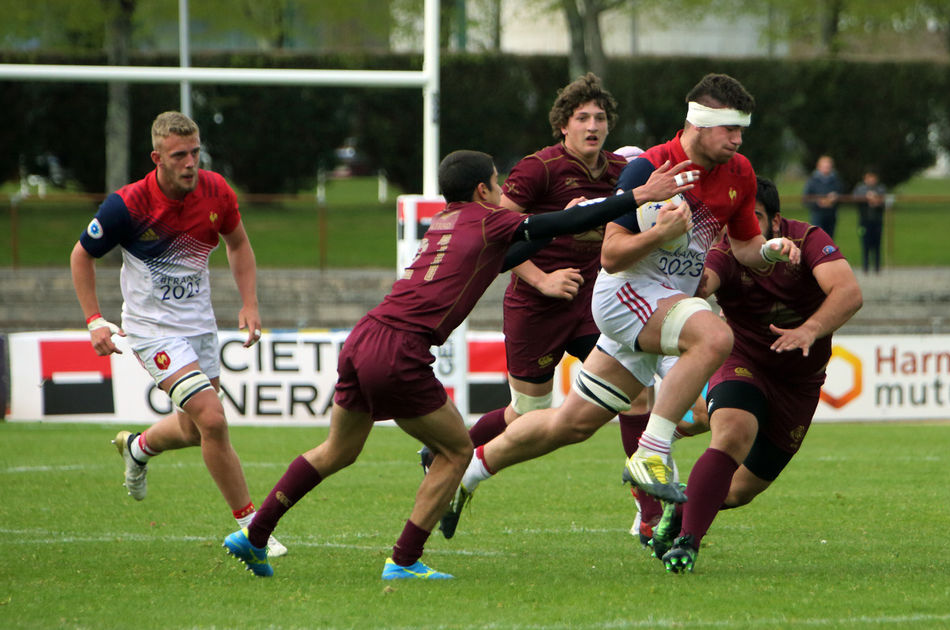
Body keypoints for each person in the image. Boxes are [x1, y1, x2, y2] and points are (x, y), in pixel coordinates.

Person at [221, 149, 698, 579]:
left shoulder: (447, 221)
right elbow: (552, 228)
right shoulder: (487, 218)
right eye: (497, 181)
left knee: (336, 451)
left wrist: (576, 216)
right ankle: (404, 560)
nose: (501, 189)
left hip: (364, 338)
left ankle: (254, 535)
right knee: (456, 452)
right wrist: (637, 196)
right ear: (482, 190)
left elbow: (511, 252)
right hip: (401, 350)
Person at [444, 73, 801, 538]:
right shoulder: (649, 170)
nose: (738, 139)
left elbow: (746, 246)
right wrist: (659, 234)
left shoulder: (740, 173)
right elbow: (611, 256)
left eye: (741, 130)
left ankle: (469, 471)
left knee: (568, 424)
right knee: (714, 335)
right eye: (730, 129)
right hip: (625, 296)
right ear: (699, 123)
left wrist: (771, 250)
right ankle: (651, 451)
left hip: (665, 306)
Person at [70, 110, 286, 557]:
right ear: (157, 158)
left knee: (193, 430)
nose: (191, 163)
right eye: (180, 155)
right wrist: (94, 320)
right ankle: (252, 527)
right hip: (152, 330)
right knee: (213, 419)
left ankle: (138, 447)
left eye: (195, 152)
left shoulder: (216, 190)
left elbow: (239, 243)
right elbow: (81, 256)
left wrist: (250, 303)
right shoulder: (127, 205)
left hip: (200, 325)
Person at [654, 177, 863, 573]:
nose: (745, 231)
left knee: (737, 492)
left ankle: (682, 505)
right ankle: (688, 543)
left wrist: (809, 329)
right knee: (733, 432)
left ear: (777, 222)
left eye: (756, 219)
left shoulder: (808, 240)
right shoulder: (724, 252)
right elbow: (703, 285)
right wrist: (680, 272)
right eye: (737, 223)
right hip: (742, 359)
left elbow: (849, 292)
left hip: (799, 384)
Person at [853, 167, 887, 273]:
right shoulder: (860, 189)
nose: (871, 180)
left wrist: (877, 202)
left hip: (877, 221)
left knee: (877, 244)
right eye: (869, 178)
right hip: (864, 221)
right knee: (865, 243)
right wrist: (866, 198)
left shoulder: (881, 189)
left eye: (873, 178)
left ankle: (877, 267)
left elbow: (885, 202)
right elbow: (854, 199)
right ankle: (865, 267)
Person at [803, 155, 843, 238]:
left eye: (828, 167)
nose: (826, 169)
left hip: (831, 215)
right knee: (817, 238)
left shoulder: (836, 180)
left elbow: (842, 195)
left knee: (829, 240)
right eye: (824, 167)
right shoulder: (812, 181)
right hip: (817, 215)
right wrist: (818, 202)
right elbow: (805, 199)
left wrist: (835, 198)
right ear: (818, 167)